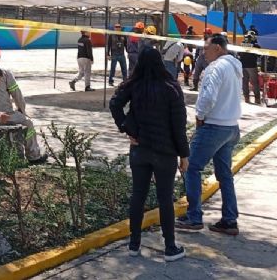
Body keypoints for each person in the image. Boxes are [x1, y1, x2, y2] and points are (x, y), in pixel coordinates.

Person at [109, 48, 189, 262]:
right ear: (160, 62)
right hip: (165, 151)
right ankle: (170, 246)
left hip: (140, 149)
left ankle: (134, 244)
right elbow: (179, 125)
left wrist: (126, 127)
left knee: (138, 195)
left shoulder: (133, 85)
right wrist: (184, 155)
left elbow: (114, 104)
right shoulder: (171, 87)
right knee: (165, 198)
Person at [176, 33, 242, 236]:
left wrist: (200, 116)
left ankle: (194, 217)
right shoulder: (235, 66)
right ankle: (229, 220)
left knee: (190, 167)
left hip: (213, 126)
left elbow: (208, 97)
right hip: (231, 127)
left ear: (218, 48)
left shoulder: (215, 68)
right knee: (225, 175)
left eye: (206, 48)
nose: (203, 52)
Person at [0, 47, 47, 165]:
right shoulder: (5, 72)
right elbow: (17, 94)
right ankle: (34, 156)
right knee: (28, 123)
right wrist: (22, 110)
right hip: (5, 115)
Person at [239, 33, 263, 104]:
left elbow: (239, 54)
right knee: (255, 83)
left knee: (244, 82)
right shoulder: (255, 45)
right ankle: (257, 99)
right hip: (252, 66)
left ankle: (246, 98)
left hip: (243, 66)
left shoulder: (242, 45)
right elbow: (259, 55)